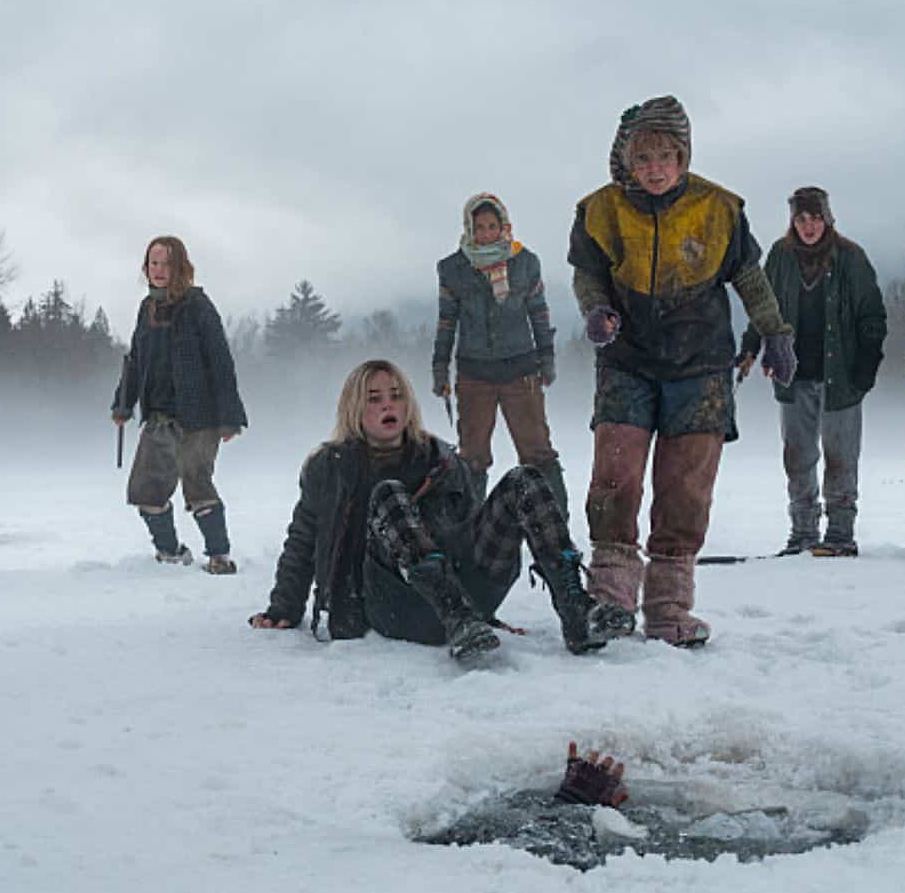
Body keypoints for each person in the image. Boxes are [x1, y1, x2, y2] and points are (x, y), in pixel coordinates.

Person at [569, 96, 794, 647]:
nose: (654, 167)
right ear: (627, 159)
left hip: (701, 366)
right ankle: (610, 600)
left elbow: (750, 277)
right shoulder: (600, 210)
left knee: (686, 488)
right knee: (615, 478)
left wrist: (776, 332)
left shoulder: (718, 209)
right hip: (627, 362)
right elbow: (588, 275)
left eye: (665, 155)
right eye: (642, 156)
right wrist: (596, 311)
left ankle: (670, 607)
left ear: (683, 155)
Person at [249, 359, 633, 661]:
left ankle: (575, 610)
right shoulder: (328, 466)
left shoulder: (442, 459)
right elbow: (303, 538)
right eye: (374, 398)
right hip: (389, 603)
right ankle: (456, 618)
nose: (388, 405)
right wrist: (284, 606)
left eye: (396, 395)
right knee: (389, 494)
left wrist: (486, 612)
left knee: (525, 480)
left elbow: (470, 529)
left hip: (467, 591)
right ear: (354, 408)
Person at [738, 187, 887, 556]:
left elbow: (872, 315)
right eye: (801, 219)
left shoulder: (851, 258)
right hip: (793, 375)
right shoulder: (780, 256)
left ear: (827, 218)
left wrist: (867, 366)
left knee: (841, 457)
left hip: (842, 378)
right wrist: (750, 349)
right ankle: (802, 532)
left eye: (815, 218)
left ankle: (840, 534)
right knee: (798, 457)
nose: (808, 226)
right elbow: (763, 308)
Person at [111, 236, 247, 574]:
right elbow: (136, 361)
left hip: (198, 418)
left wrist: (230, 417)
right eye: (153, 263)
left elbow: (220, 360)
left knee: (197, 483)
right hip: (158, 417)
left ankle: (219, 556)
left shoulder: (197, 305)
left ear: (180, 267)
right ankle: (170, 552)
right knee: (145, 490)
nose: (159, 270)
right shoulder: (147, 308)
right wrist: (123, 404)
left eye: (166, 263)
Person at [431, 192, 564, 507]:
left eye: (492, 226)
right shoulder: (453, 269)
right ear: (469, 228)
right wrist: (440, 368)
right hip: (474, 373)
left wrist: (547, 358)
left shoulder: (525, 263)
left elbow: (539, 313)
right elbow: (447, 321)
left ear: (503, 225)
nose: (486, 233)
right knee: (472, 456)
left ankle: (555, 530)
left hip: (521, 371)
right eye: (479, 227)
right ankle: (471, 531)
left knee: (537, 451)